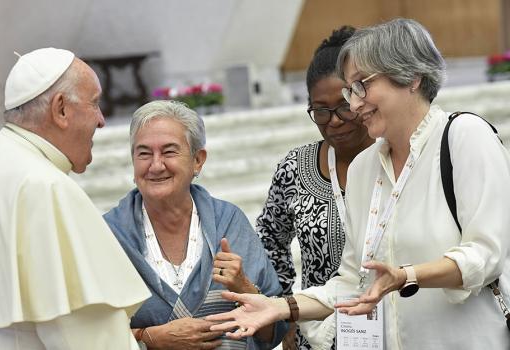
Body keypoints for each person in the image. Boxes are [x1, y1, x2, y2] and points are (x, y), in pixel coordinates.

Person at [206, 18, 510, 349]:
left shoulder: (465, 136)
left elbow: (486, 254)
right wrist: (280, 308)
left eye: (361, 86)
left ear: (411, 77)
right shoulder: (365, 168)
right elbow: (352, 281)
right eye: (350, 90)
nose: (353, 104)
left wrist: (406, 276)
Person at [0, 48, 150, 350]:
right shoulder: (45, 187)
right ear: (61, 110)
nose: (101, 120)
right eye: (94, 103)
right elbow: (84, 335)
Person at [103, 100, 287, 350]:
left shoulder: (228, 222)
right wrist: (150, 338)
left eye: (169, 152)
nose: (156, 165)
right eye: (144, 153)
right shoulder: (109, 235)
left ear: (198, 160)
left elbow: (272, 333)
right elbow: (88, 334)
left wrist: (243, 286)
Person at [256, 26, 373, 350]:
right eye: (320, 110)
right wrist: (286, 312)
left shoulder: (397, 157)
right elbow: (268, 239)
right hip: (319, 336)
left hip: (395, 329)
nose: (334, 121)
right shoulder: (295, 168)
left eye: (344, 106)